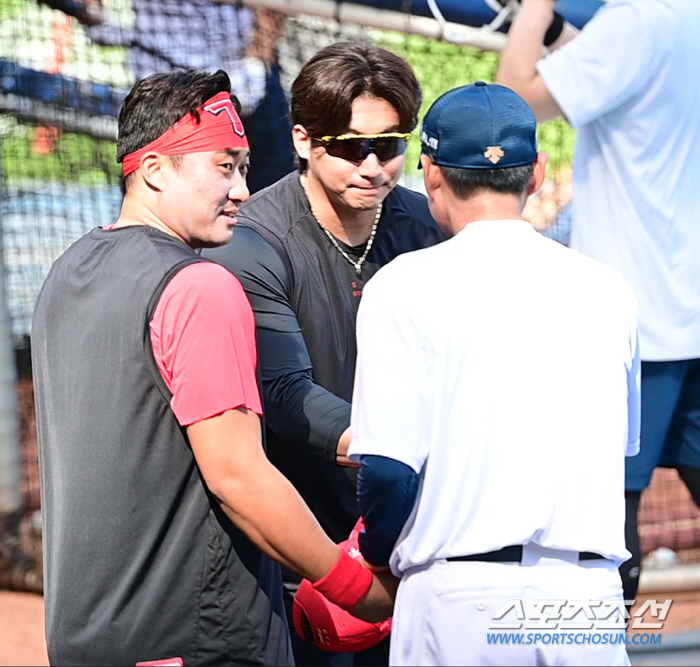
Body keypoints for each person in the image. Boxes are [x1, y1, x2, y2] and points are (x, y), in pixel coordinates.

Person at [31, 67, 395, 667]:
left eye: (244, 168)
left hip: (83, 635)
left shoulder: (69, 269)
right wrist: (357, 588)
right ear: (153, 171)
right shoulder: (201, 285)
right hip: (195, 641)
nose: (242, 190)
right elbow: (239, 479)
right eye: (223, 166)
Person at [347, 81, 640, 666]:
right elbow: (620, 450)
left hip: (461, 602)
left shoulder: (402, 286)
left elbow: (385, 471)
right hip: (584, 602)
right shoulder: (610, 290)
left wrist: (375, 559)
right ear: (536, 174)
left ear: (430, 173)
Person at [204, 41, 446, 666]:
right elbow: (283, 397)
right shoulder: (252, 238)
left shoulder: (424, 228)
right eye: (350, 147)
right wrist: (399, 445)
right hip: (297, 547)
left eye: (389, 146)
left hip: (407, 533)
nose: (372, 166)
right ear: (306, 141)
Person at [496, 0, 700, 605]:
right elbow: (616, 66)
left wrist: (534, 7)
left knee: (610, 513)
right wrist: (561, 31)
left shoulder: (633, 22)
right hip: (686, 306)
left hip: (638, 316)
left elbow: (512, 99)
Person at [86, 0, 295, 194]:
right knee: (159, 200)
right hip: (163, 89)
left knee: (271, 196)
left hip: (242, 84)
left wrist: (256, 64)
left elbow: (273, 9)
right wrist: (93, 16)